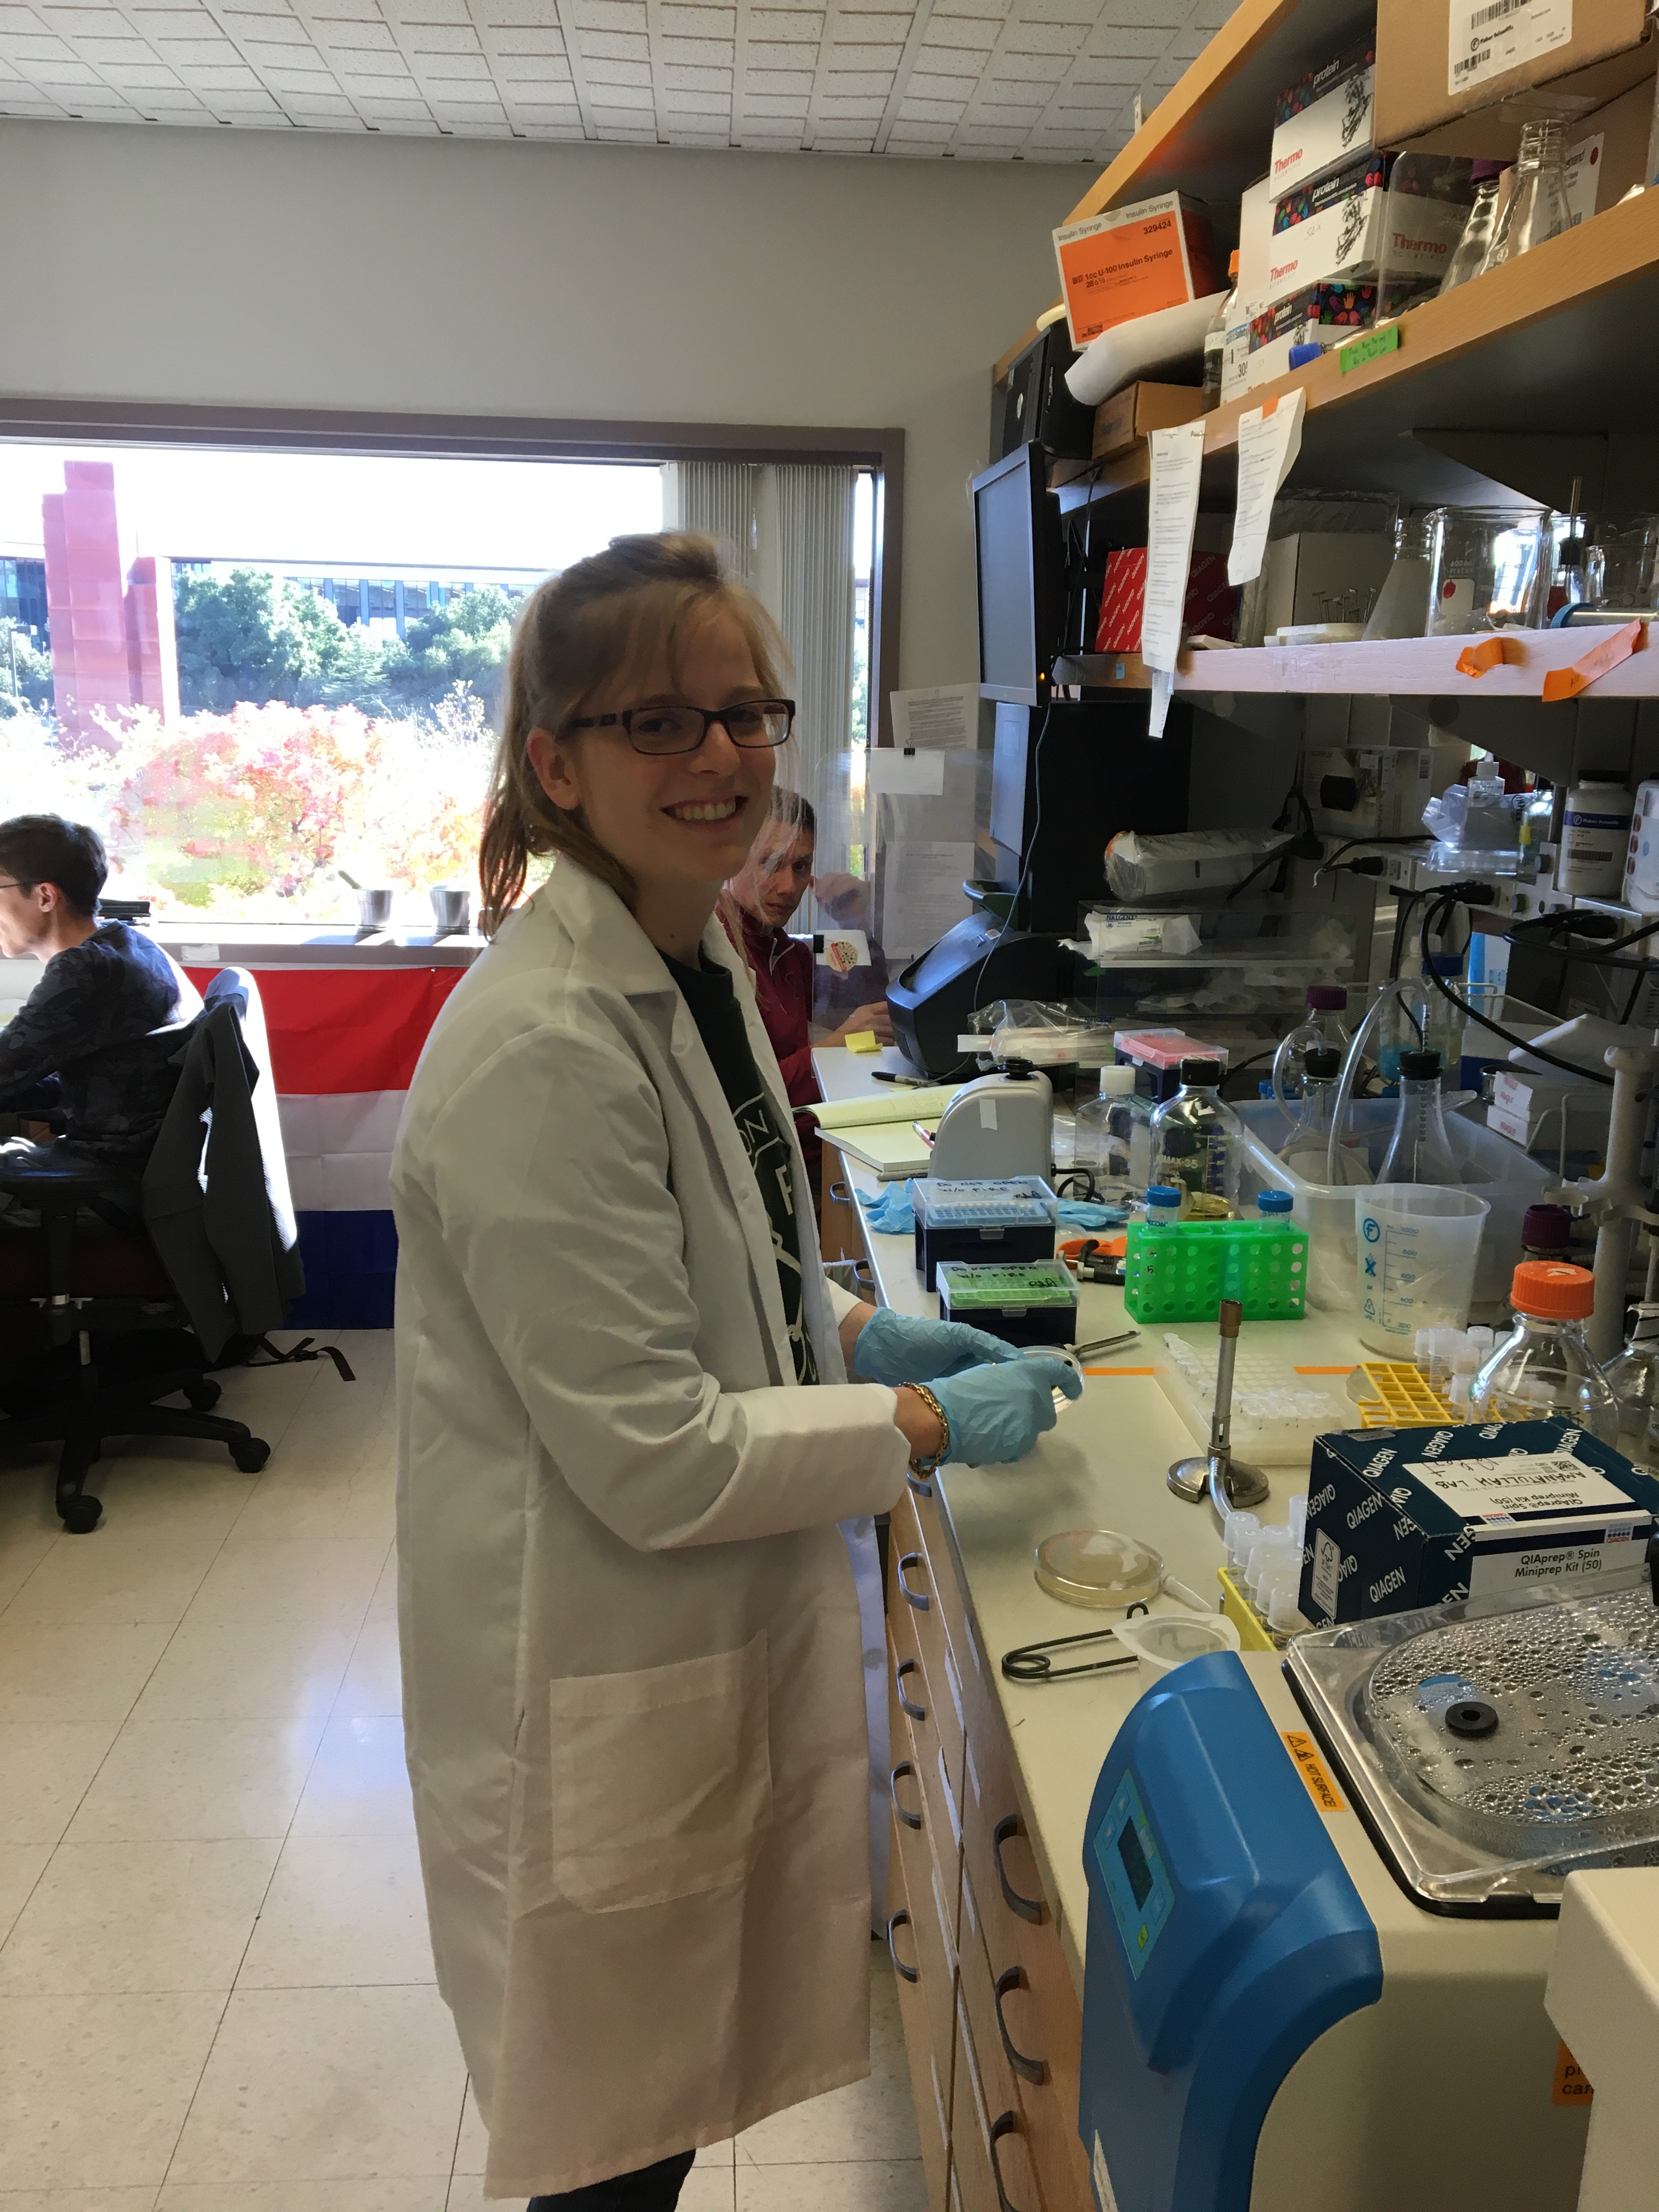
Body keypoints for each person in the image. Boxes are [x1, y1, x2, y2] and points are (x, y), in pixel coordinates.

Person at [391, 532, 1080, 2212]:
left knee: (655, 2116)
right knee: (612, 2149)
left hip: (687, 1633)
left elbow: (722, 1256)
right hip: (598, 1633)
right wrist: (915, 1420)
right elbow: (655, 1451)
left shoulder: (689, 957)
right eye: (659, 721)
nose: (721, 756)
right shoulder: (547, 1041)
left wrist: (848, 1332)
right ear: (557, 763)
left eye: (748, 713)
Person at [0, 814, 202, 1173]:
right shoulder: (125, 941)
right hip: (136, 1154)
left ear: (45, 896)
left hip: (106, 1165)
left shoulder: (85, 970)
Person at [724, 787, 891, 1186]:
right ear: (733, 857)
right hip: (765, 1170)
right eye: (771, 864)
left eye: (801, 867)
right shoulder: (717, 950)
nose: (788, 886)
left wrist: (855, 920)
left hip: (804, 1146)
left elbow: (861, 997)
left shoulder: (782, 948)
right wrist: (835, 1046)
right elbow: (740, 1100)